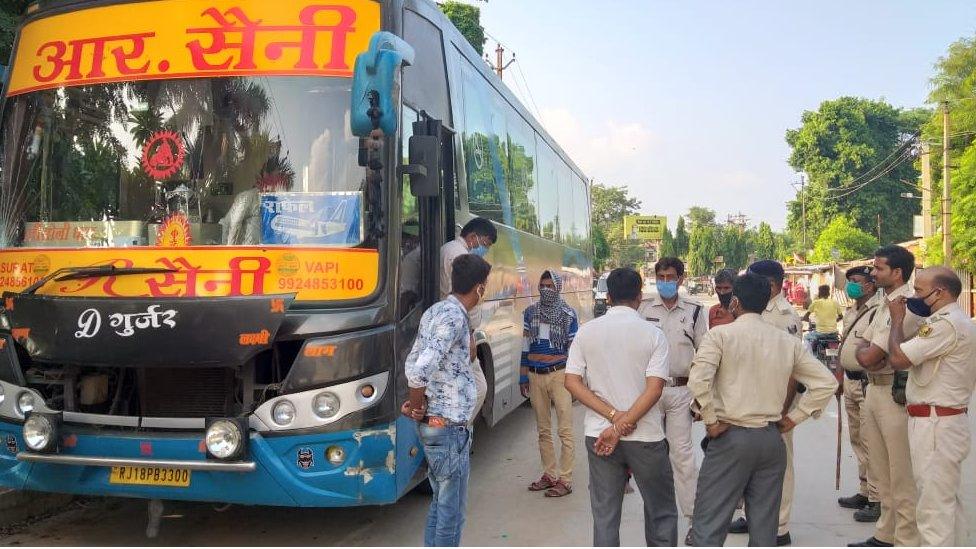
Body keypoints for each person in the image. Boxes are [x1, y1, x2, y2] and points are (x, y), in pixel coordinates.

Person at [689, 271, 837, 547]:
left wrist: (710, 420)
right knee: (765, 528)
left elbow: (698, 381)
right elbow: (826, 383)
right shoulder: (787, 341)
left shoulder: (721, 336)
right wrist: (794, 418)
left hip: (730, 435)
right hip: (770, 440)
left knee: (709, 523)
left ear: (734, 302)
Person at [564, 267, 678, 547]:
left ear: (608, 296)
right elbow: (655, 389)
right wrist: (622, 422)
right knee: (660, 513)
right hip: (647, 437)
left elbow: (572, 382)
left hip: (600, 436)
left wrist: (613, 421)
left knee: (605, 514)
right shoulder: (653, 335)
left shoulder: (587, 332)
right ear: (639, 297)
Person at [402, 254, 492, 547]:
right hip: (448, 427)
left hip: (439, 424)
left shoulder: (435, 311)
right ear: (479, 288)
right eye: (485, 286)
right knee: (451, 513)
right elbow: (419, 371)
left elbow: (414, 359)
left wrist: (418, 403)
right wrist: (416, 404)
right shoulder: (454, 317)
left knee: (440, 504)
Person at [885, 267, 976, 546]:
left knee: (933, 510)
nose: (914, 296)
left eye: (919, 291)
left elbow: (899, 359)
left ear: (941, 293)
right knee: (947, 505)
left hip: (936, 425)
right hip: (942, 422)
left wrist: (897, 321)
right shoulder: (956, 321)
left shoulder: (945, 324)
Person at [849, 245, 922, 547]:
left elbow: (869, 356)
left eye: (879, 269)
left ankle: (905, 537)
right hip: (874, 389)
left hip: (895, 394)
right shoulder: (884, 303)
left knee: (900, 472)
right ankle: (886, 533)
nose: (872, 273)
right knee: (881, 470)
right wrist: (870, 353)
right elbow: (862, 348)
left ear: (897, 272)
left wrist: (871, 354)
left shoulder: (906, 305)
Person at [728, 259, 802, 546]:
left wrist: (782, 412)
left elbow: (792, 371)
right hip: (752, 399)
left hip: (774, 404)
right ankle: (754, 515)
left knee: (779, 466)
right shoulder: (756, 310)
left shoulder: (783, 316)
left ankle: (779, 526)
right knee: (753, 466)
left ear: (770, 284)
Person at [638, 257, 707, 544]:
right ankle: (657, 521)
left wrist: (702, 398)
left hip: (680, 392)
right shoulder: (642, 308)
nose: (666, 281)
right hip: (648, 393)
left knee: (682, 457)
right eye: (661, 276)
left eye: (671, 276)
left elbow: (704, 355)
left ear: (680, 279)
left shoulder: (693, 311)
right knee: (651, 457)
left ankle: (693, 520)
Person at [520, 270, 579, 498]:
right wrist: (523, 376)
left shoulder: (568, 315)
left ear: (558, 287)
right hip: (535, 376)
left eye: (550, 285)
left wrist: (576, 381)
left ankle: (565, 479)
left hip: (560, 375)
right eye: (542, 285)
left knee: (565, 430)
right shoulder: (530, 313)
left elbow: (574, 352)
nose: (545, 289)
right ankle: (549, 475)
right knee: (542, 430)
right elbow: (526, 347)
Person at [440, 217, 497, 423]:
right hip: (459, 332)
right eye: (485, 245)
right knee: (478, 387)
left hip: (456, 328)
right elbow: (464, 297)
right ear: (473, 237)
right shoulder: (459, 255)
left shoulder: (449, 249)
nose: (484, 250)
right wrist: (470, 336)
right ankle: (457, 429)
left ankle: (457, 429)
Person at [836, 266, 882, 522]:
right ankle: (865, 491)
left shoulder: (876, 312)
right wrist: (839, 377)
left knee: (870, 441)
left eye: (857, 281)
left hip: (867, 383)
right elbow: (845, 345)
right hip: (851, 383)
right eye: (849, 281)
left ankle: (877, 498)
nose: (851, 285)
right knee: (857, 439)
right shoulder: (851, 312)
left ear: (870, 286)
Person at [802, 284, 844, 349]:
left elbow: (805, 317)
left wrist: (808, 320)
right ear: (828, 293)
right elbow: (841, 316)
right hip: (833, 334)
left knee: (806, 338)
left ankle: (809, 357)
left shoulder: (816, 303)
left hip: (820, 334)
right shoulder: (835, 302)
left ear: (819, 293)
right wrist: (834, 321)